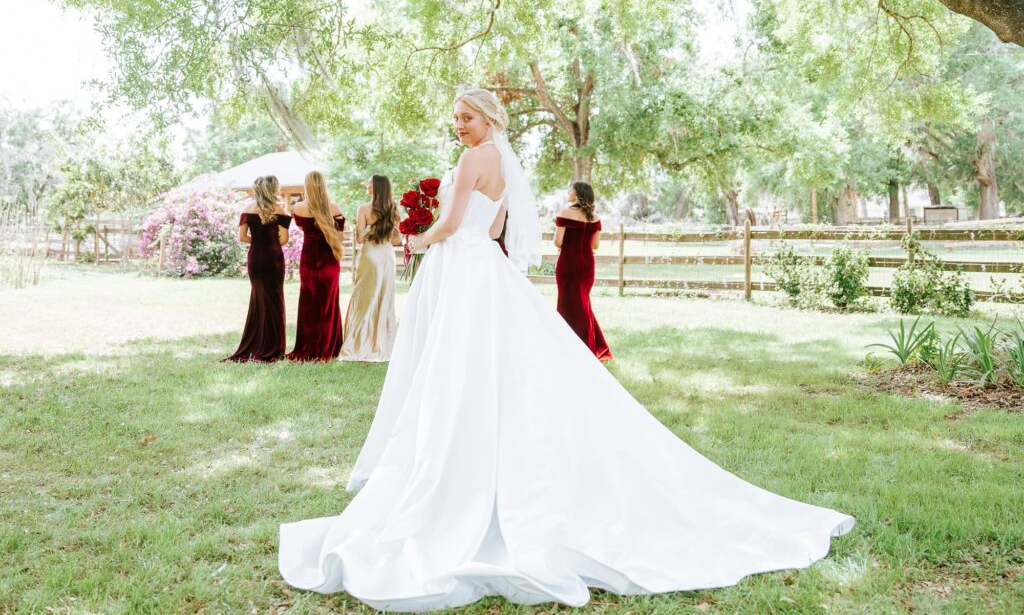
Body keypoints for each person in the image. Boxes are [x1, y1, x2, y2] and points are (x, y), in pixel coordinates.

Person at [279, 89, 853, 612]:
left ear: (489, 119)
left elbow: (453, 223)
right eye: (456, 118)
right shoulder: (503, 162)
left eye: (467, 117)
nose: (459, 125)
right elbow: (496, 222)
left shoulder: (472, 160)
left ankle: (459, 459)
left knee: (457, 367)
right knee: (488, 364)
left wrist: (416, 237)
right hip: (488, 268)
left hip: (461, 267)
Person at [226, 176, 291, 362]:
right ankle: (274, 346)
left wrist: (258, 242)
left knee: (258, 298)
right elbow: (284, 240)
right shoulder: (279, 209)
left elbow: (242, 237)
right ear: (273, 189)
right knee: (275, 300)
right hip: (273, 259)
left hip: (255, 258)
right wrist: (270, 242)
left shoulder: (247, 209)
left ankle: (255, 343)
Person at [340, 174, 400, 362]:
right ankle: (383, 343)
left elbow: (359, 238)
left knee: (365, 297)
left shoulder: (364, 209)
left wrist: (371, 229)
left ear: (376, 187)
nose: (366, 184)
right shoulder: (394, 208)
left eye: (369, 182)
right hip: (387, 255)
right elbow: (397, 239)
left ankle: (358, 344)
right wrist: (385, 229)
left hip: (371, 255)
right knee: (384, 297)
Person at [286, 171, 345, 362]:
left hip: (309, 259)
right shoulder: (334, 208)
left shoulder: (298, 207)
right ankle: (329, 346)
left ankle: (308, 346)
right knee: (328, 303)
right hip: (329, 260)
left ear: (307, 186)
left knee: (309, 304)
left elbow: (302, 226)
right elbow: (340, 237)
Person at [554, 181, 613, 361]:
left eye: (570, 189)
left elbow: (557, 242)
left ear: (578, 193)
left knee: (568, 303)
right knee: (583, 302)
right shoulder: (594, 217)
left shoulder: (565, 213)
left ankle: (570, 345)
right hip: (587, 264)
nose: (568, 191)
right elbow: (595, 245)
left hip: (568, 263)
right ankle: (588, 344)